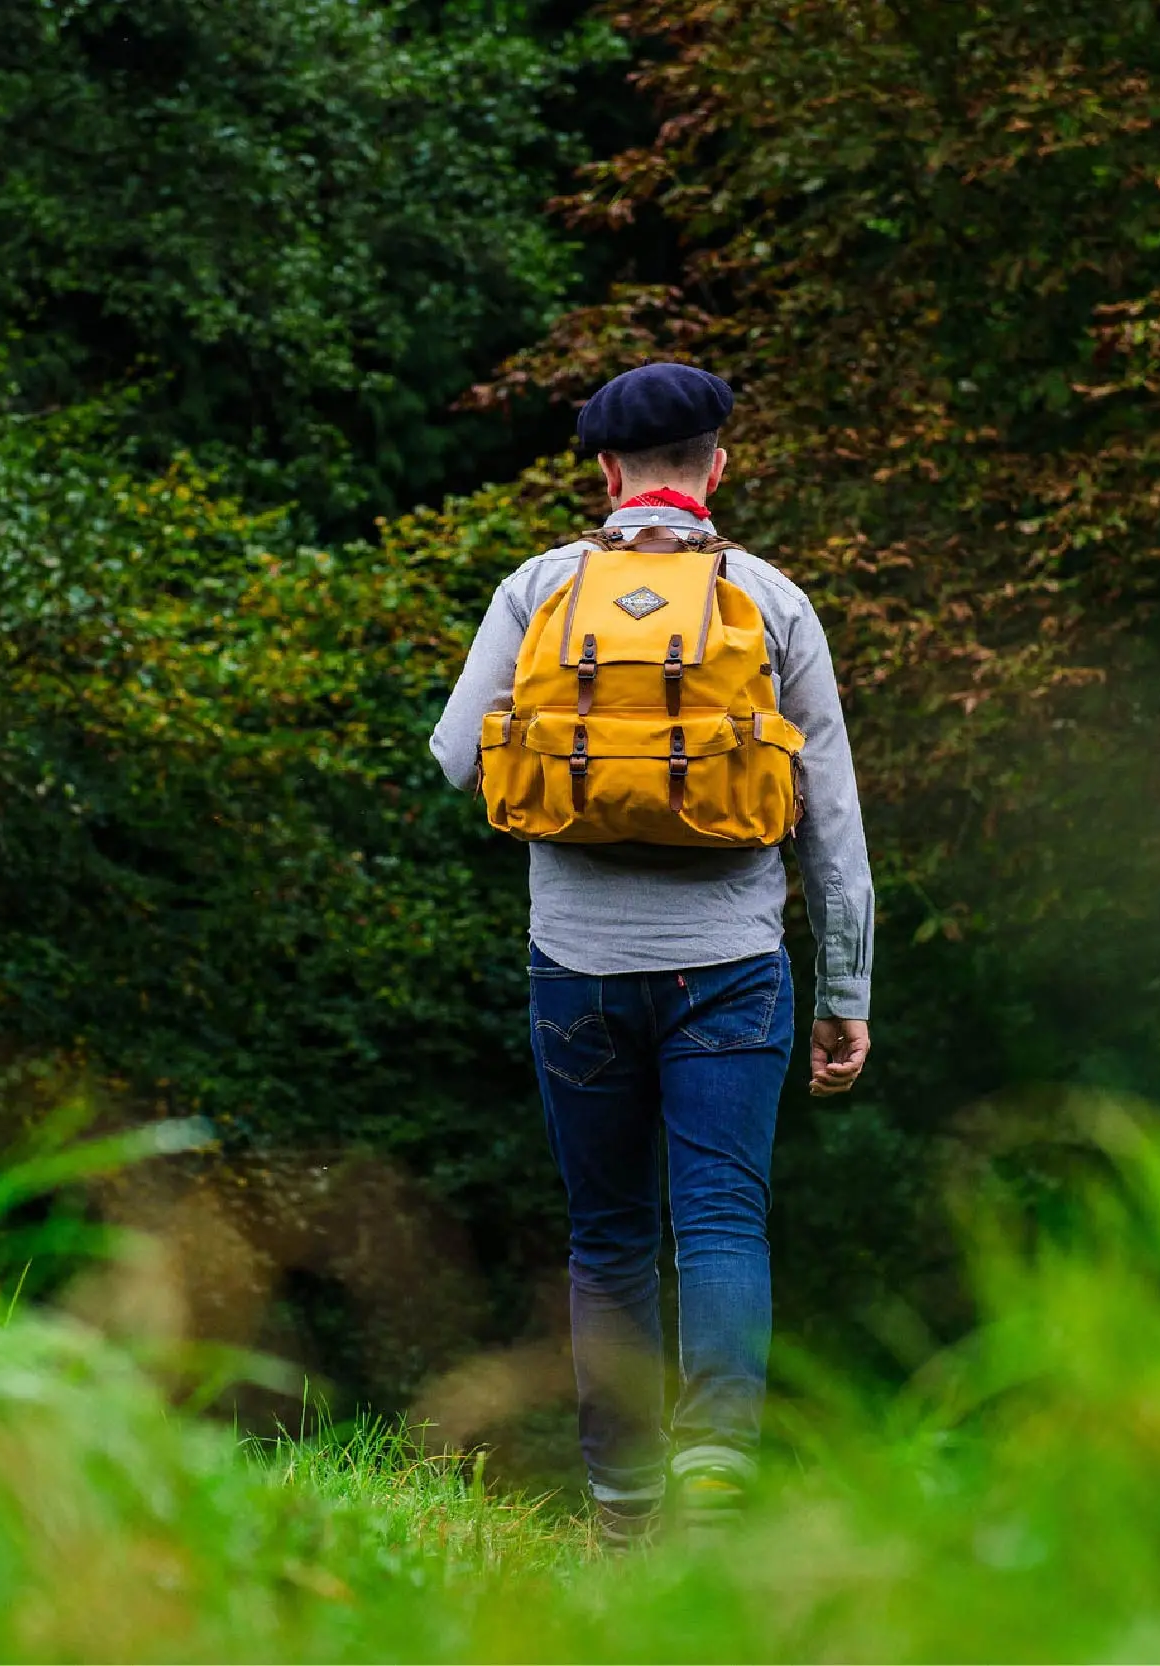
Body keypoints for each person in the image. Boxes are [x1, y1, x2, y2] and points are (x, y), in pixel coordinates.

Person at [430, 362, 874, 1546]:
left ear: (605, 472)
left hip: (574, 963)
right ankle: (718, 1484)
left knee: (608, 1233)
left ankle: (620, 1511)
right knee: (721, 1222)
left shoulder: (538, 588)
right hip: (731, 961)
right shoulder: (769, 599)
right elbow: (830, 820)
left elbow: (454, 758)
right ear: (716, 467)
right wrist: (843, 991)